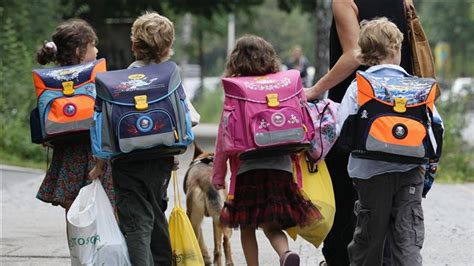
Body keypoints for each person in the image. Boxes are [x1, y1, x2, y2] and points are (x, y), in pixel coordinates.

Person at [304, 1, 416, 265]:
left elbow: (355, 54)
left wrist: (314, 90)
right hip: (401, 110)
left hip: (359, 108)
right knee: (396, 200)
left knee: (347, 195)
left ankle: (341, 259)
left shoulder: (344, 1)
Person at [337, 17, 443, 266]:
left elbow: (340, 128)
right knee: (407, 237)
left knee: (369, 237)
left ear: (363, 53)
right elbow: (437, 128)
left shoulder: (359, 87)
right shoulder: (418, 87)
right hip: (410, 172)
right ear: (396, 49)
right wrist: (428, 170)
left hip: (369, 174)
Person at [212, 34, 322, 266]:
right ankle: (285, 254)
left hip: (247, 170)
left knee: (247, 226)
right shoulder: (284, 87)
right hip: (281, 167)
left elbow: (224, 140)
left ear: (235, 61)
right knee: (272, 224)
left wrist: (218, 175)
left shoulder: (236, 92)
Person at [89, 12, 180, 266]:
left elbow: (101, 125)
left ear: (133, 46)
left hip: (127, 161)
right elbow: (188, 117)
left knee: (137, 222)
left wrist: (100, 164)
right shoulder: (169, 78)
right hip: (160, 158)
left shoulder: (116, 83)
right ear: (168, 48)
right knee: (155, 212)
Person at [35, 19, 115, 212]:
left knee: (72, 206)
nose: (96, 51)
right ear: (79, 51)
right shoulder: (94, 76)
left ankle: (78, 241)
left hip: (66, 152)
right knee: (107, 204)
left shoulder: (52, 81)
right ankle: (108, 241)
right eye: (92, 45)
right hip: (94, 150)